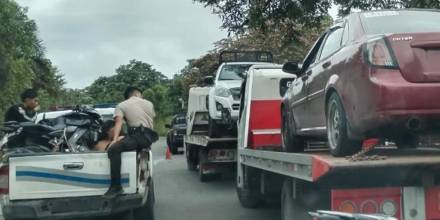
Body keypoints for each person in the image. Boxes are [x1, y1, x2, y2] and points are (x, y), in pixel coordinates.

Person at [104, 86, 158, 198]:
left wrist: (114, 140)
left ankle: (116, 187)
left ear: (128, 96)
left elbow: (118, 123)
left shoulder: (122, 105)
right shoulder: (149, 103)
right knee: (131, 144)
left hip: (137, 135)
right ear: (138, 94)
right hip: (149, 137)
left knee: (114, 149)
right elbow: (150, 120)